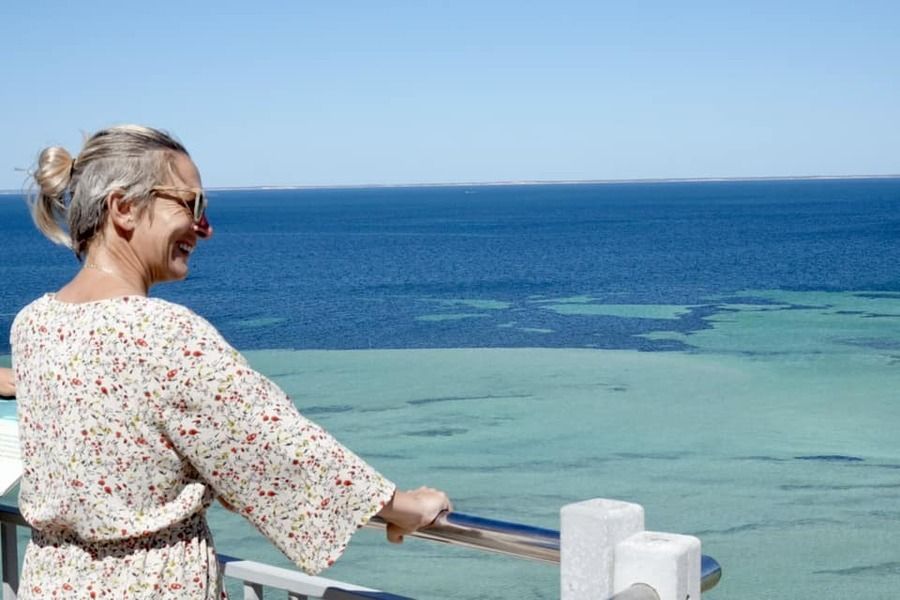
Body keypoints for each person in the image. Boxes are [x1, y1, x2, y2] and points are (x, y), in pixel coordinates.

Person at [10, 125, 450, 598]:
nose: (205, 227)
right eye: (192, 205)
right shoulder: (162, 335)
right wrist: (400, 506)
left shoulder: (34, 324)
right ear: (124, 208)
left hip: (52, 582)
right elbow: (274, 446)